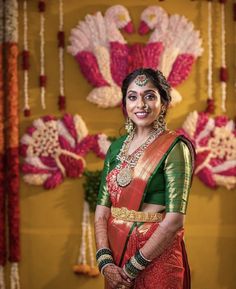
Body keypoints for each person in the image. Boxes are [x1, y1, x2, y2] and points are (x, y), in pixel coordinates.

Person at [94, 68, 195, 289]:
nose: (140, 104)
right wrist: (105, 263)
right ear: (125, 104)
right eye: (133, 97)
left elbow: (175, 219)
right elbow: (102, 212)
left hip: (156, 257)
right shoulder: (115, 148)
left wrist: (132, 268)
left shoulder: (175, 148)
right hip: (116, 255)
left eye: (149, 96)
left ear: (164, 103)